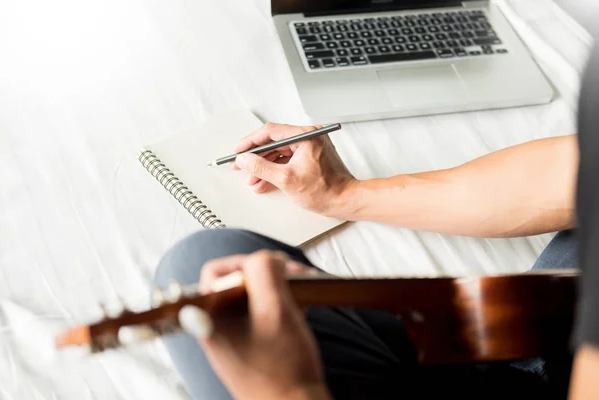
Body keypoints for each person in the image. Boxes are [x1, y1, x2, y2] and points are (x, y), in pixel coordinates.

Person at [152, 47, 598, 400]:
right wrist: (345, 194)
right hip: (550, 324)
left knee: (203, 280)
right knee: (217, 277)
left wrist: (288, 392)